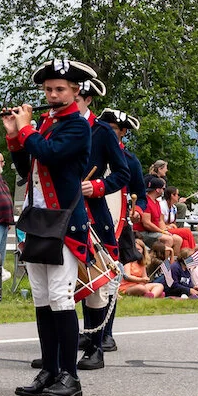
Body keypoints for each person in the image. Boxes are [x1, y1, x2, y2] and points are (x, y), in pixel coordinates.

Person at [5, 58, 99, 396]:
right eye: (48, 90)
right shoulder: (44, 125)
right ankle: (49, 368)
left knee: (61, 298)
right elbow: (24, 166)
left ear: (76, 92)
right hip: (37, 220)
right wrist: (15, 136)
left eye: (60, 89)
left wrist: (26, 129)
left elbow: (51, 154)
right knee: (42, 298)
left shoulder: (78, 126)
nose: (53, 95)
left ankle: (69, 375)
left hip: (64, 222)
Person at [74, 81, 130, 368]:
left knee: (95, 285)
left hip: (92, 216)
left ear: (87, 99)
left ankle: (95, 347)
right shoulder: (49, 126)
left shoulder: (102, 131)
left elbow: (123, 174)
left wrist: (96, 187)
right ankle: (57, 354)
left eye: (72, 93)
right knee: (56, 288)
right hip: (58, 217)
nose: (59, 98)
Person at [93, 107, 147, 353]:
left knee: (112, 278)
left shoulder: (130, 161)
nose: (107, 133)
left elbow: (141, 195)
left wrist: (138, 210)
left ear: (123, 132)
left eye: (113, 129)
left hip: (119, 224)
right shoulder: (89, 149)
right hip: (89, 218)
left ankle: (106, 332)